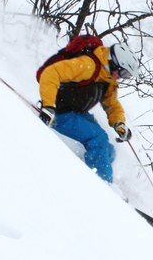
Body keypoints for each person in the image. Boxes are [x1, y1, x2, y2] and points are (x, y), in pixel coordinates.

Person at [38, 40, 138, 183]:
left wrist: (119, 123)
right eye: (123, 72)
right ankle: (103, 187)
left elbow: (112, 104)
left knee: (109, 150)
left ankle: (92, 173)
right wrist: (48, 106)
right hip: (60, 113)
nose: (122, 77)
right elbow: (51, 72)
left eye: (127, 75)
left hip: (77, 113)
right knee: (99, 140)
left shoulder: (107, 78)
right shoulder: (88, 65)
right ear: (113, 63)